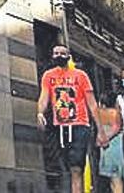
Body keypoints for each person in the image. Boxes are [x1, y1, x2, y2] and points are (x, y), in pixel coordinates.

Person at [37, 44, 100, 193]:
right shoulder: (48, 76)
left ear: (68, 56)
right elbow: (44, 97)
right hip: (59, 126)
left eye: (62, 53)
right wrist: (40, 112)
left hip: (79, 124)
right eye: (56, 53)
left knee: (76, 168)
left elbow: (91, 103)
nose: (59, 56)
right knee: (61, 166)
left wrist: (100, 129)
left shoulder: (80, 75)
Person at [96, 92, 124, 193]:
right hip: (118, 146)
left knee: (114, 180)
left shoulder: (100, 114)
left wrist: (102, 139)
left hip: (107, 149)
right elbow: (117, 127)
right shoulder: (116, 113)